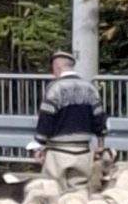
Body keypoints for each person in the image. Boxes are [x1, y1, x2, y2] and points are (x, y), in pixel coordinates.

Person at [33, 48, 107, 192]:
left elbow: (46, 118)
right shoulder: (90, 88)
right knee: (79, 194)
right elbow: (99, 118)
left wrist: (39, 146)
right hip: (83, 152)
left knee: (53, 192)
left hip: (58, 152)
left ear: (57, 67)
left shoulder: (54, 88)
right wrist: (100, 143)